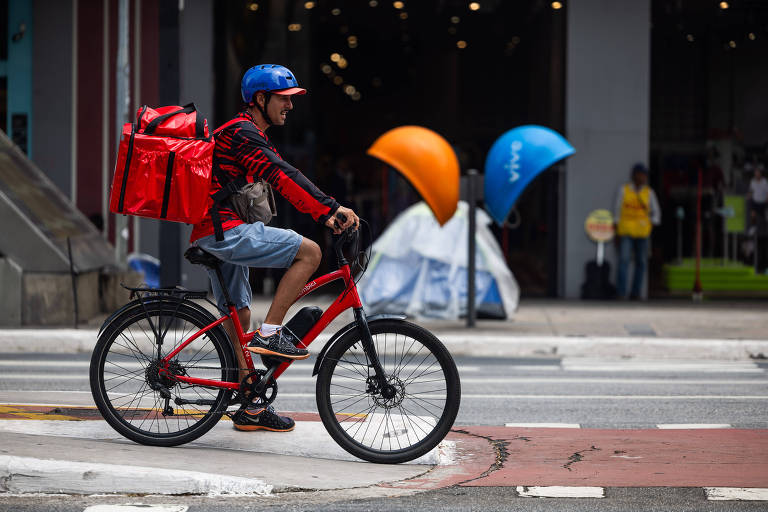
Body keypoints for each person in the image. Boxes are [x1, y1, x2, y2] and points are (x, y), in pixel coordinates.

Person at [190, 64, 359, 432]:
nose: (290, 106)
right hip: (224, 233)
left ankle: (250, 408)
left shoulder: (244, 133)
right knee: (310, 252)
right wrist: (328, 209)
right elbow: (282, 176)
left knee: (240, 318)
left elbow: (278, 174)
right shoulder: (243, 135)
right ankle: (272, 333)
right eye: (284, 98)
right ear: (260, 99)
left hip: (215, 232)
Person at [613, 162, 661, 300]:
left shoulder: (649, 193)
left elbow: (656, 214)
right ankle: (621, 293)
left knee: (641, 263)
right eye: (641, 174)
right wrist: (616, 231)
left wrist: (649, 224)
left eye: (645, 175)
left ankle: (636, 293)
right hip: (626, 231)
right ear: (634, 175)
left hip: (642, 233)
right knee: (624, 261)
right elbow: (617, 210)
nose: (643, 177)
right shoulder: (624, 190)